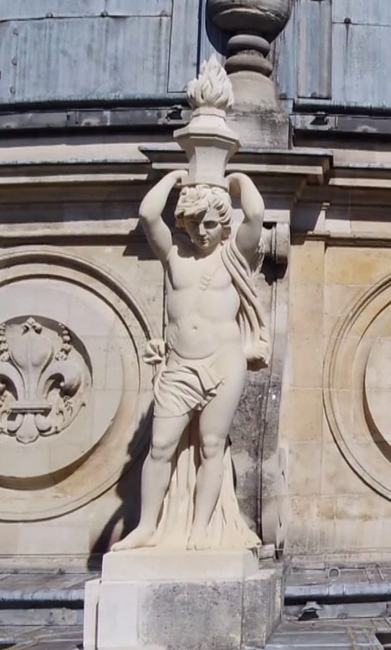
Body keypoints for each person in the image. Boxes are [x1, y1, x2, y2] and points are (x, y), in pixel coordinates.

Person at [113, 169, 268, 551]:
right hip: (180, 367)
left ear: (223, 224)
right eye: (194, 223)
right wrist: (174, 178)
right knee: (161, 446)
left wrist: (237, 180)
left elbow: (256, 214)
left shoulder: (235, 256)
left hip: (223, 363)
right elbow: (149, 215)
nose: (202, 231)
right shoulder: (175, 255)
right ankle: (147, 527)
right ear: (183, 222)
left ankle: (200, 528)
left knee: (212, 446)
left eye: (211, 223)